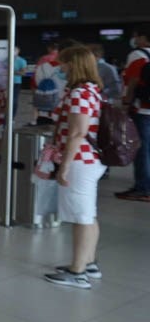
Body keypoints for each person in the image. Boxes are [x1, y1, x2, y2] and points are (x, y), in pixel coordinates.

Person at [43, 45, 107, 289]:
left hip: (81, 160)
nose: (60, 67)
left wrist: (65, 166)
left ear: (73, 64)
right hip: (89, 159)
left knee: (82, 217)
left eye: (63, 63)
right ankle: (89, 263)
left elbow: (77, 132)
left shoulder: (80, 93)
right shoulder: (91, 89)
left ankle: (77, 272)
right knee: (87, 214)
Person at [115, 26, 150, 201]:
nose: (135, 39)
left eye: (137, 36)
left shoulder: (138, 55)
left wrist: (126, 103)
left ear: (143, 38)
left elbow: (133, 81)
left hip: (141, 109)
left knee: (142, 149)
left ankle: (143, 188)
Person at [32, 42, 66, 124]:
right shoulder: (78, 71)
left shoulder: (43, 66)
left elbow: (37, 83)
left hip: (46, 108)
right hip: (64, 111)